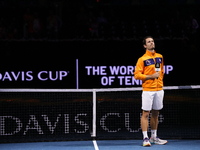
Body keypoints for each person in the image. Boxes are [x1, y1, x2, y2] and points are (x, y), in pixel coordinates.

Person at [134, 36, 167, 147]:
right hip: (148, 90)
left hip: (159, 89)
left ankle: (154, 137)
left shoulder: (160, 57)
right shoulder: (142, 59)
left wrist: (159, 81)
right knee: (146, 114)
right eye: (149, 42)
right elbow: (137, 75)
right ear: (145, 45)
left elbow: (161, 71)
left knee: (156, 113)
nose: (152, 43)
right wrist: (150, 76)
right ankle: (145, 138)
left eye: (152, 41)